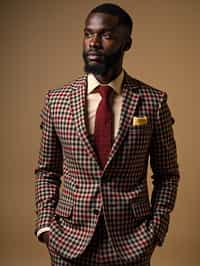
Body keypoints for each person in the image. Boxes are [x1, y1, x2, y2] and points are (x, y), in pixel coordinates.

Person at [34, 3, 180, 266]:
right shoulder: (57, 101)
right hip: (68, 239)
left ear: (127, 43)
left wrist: (156, 229)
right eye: (88, 34)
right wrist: (46, 227)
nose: (94, 43)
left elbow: (167, 174)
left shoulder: (153, 102)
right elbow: (46, 171)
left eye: (106, 35)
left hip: (132, 242)